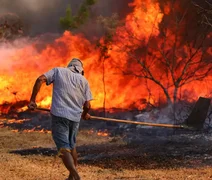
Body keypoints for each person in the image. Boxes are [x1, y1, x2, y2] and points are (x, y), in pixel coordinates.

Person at [28, 58, 93, 180]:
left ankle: (76, 175)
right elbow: (88, 105)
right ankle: (71, 177)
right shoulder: (84, 80)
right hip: (75, 118)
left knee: (64, 147)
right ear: (81, 70)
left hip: (60, 116)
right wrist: (85, 114)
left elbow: (40, 79)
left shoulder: (58, 71)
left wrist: (32, 100)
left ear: (69, 66)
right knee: (72, 146)